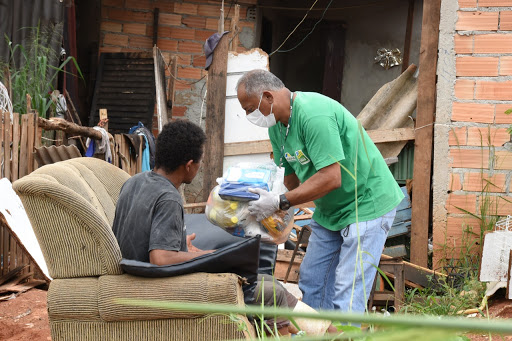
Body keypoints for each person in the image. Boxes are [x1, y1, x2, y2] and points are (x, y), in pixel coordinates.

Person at [112, 120, 334, 336]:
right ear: (189, 165)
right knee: (271, 293)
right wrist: (208, 257)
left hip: (138, 275)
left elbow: (142, 240)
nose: (199, 168)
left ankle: (334, 334)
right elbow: (160, 258)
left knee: (267, 283)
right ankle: (337, 334)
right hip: (161, 285)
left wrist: (183, 250)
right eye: (199, 162)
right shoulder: (169, 197)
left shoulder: (134, 182)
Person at [236, 70, 404, 315]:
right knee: (313, 280)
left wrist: (280, 202)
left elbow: (331, 178)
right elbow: (292, 179)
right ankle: (316, 332)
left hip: (365, 202)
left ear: (268, 96)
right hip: (330, 209)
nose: (249, 115)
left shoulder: (314, 114)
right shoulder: (277, 127)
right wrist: (272, 203)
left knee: (349, 288)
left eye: (251, 108)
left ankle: (345, 332)